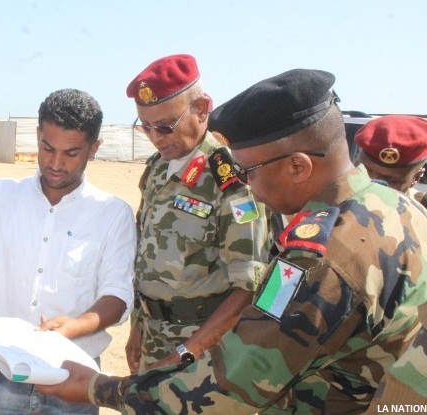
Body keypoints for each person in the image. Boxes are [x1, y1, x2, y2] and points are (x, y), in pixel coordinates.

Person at [38, 69, 427, 414]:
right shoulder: (398, 208)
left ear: (298, 166)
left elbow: (232, 385)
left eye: (251, 172)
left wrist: (96, 387)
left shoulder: (319, 260)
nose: (250, 189)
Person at [0, 88, 136, 415]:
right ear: (38, 136)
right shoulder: (1, 196)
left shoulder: (113, 214)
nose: (56, 163)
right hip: (3, 378)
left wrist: (76, 326)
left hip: (75, 380)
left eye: (71, 153)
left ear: (94, 149)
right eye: (47, 147)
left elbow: (118, 295)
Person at [125, 54, 270, 372]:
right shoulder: (156, 170)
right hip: (153, 336)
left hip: (204, 347)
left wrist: (187, 352)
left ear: (202, 108)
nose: (155, 137)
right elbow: (149, 258)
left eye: (165, 125)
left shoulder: (231, 179)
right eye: (145, 127)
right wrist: (138, 323)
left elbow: (249, 285)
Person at [353, 115, 427, 207]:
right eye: (364, 171)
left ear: (416, 178)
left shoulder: (422, 212)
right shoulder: (333, 200)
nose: (371, 184)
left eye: (389, 180)